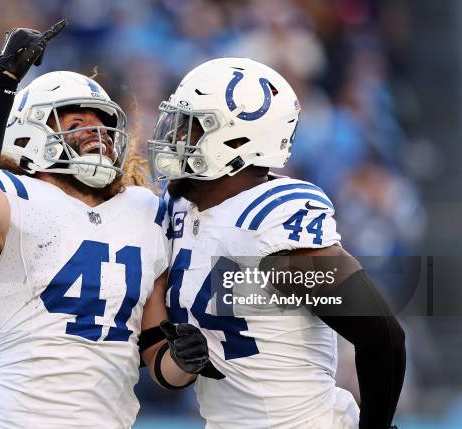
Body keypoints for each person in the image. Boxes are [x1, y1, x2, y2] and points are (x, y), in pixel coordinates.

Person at [0, 20, 218, 428]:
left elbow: (156, 354)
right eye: (77, 122)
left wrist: (182, 359)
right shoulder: (14, 198)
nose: (97, 133)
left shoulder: (144, 210)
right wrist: (4, 82)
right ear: (32, 133)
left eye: (101, 123)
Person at [148, 57, 405, 429]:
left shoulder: (273, 219)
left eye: (190, 128)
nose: (174, 137)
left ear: (235, 140)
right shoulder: (178, 208)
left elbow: (382, 335)